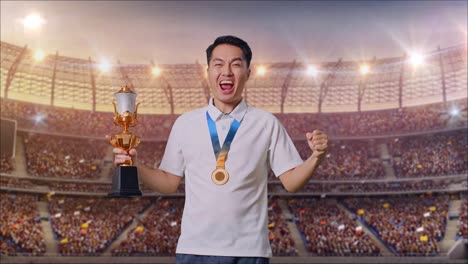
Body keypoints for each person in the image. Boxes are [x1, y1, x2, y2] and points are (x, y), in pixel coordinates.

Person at [110, 35, 328, 264]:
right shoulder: (185, 123)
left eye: (236, 64)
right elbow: (168, 182)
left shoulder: (266, 123)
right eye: (218, 64)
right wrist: (134, 165)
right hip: (194, 249)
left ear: (248, 73)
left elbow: (291, 181)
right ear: (208, 72)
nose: (227, 72)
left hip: (249, 251)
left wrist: (316, 157)